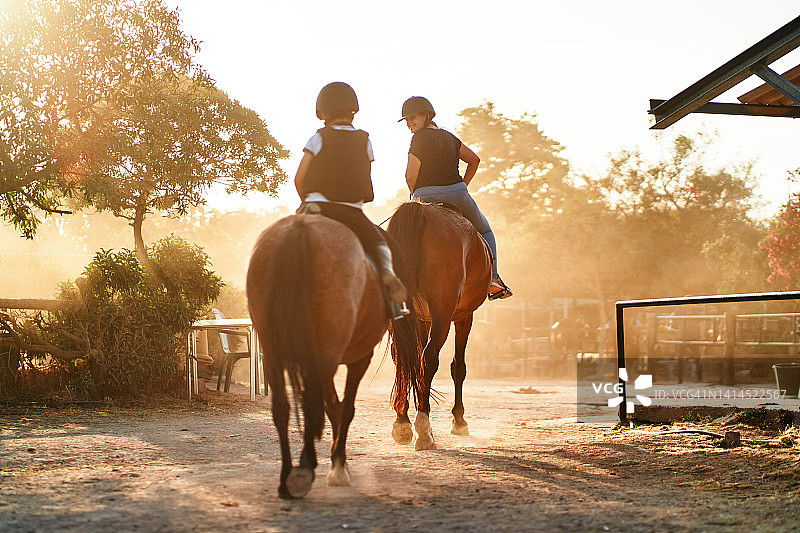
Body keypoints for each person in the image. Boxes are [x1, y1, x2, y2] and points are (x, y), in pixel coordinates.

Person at [295, 81, 408, 319]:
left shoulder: (318, 138)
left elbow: (299, 178)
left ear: (322, 113)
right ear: (353, 111)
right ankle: (389, 283)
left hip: (317, 208)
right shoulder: (364, 140)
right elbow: (362, 173)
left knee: (291, 241)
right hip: (351, 212)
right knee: (379, 243)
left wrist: (305, 201)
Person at [399, 96, 512, 300]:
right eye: (406, 120)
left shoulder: (419, 138)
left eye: (412, 118)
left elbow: (410, 174)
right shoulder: (450, 137)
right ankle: (494, 280)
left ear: (426, 115)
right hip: (458, 194)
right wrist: (462, 186)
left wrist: (415, 195)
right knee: (485, 230)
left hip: (425, 196)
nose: (409, 123)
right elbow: (474, 160)